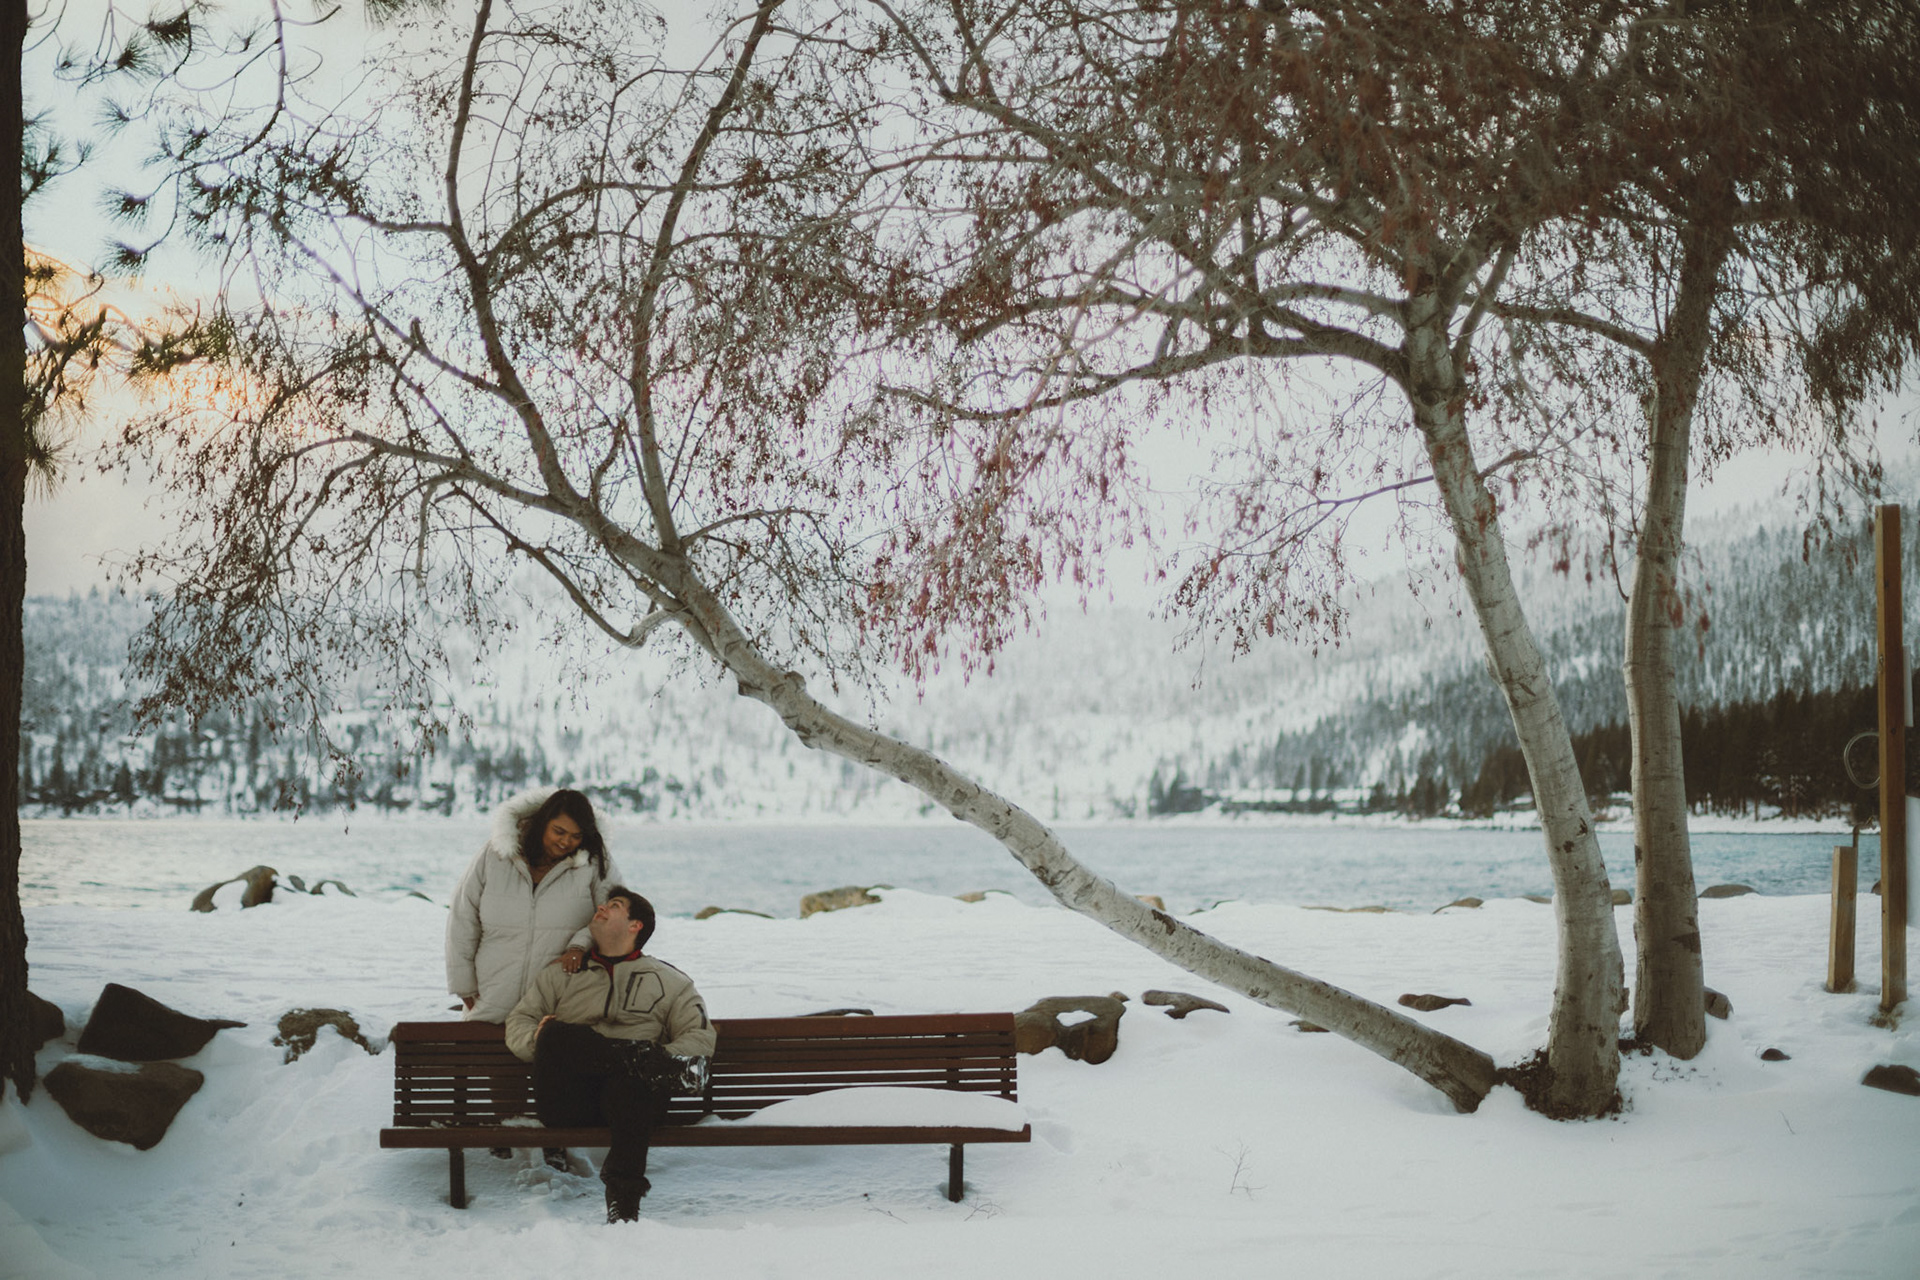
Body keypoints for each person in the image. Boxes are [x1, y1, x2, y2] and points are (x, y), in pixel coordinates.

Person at [505, 887, 714, 1223]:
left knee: (630, 1085)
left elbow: (699, 1037)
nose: (601, 908)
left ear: (636, 926)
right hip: (571, 1100)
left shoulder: (670, 982)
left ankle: (624, 1202)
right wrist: (539, 1039)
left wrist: (658, 1056)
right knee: (557, 1033)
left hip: (635, 1101)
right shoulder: (561, 974)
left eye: (614, 906)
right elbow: (519, 1022)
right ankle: (634, 1058)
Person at [446, 787, 623, 1166]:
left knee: (554, 1056)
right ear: (541, 822)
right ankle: (506, 1128)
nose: (566, 842)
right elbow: (462, 917)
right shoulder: (495, 855)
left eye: (576, 836)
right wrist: (464, 983)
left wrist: (579, 944)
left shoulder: (593, 862)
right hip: (496, 978)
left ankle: (554, 1135)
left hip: (558, 983)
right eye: (559, 832)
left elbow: (614, 914)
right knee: (500, 1058)